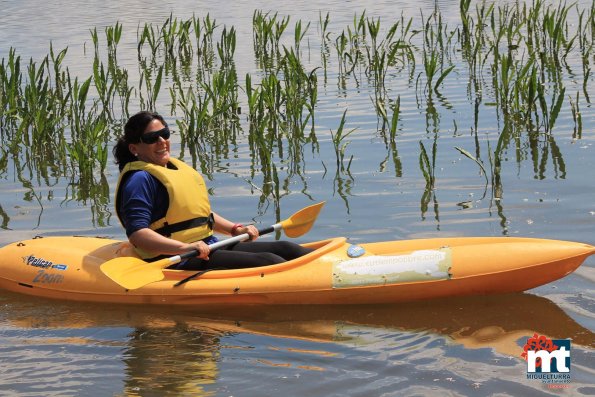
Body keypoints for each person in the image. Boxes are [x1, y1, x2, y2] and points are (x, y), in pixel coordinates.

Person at [113, 111, 313, 270]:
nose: (162, 142)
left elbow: (199, 216)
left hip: (206, 245)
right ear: (134, 149)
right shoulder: (139, 180)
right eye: (151, 138)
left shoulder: (172, 169)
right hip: (175, 257)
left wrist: (235, 229)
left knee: (287, 248)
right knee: (269, 260)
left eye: (164, 134)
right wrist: (184, 248)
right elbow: (138, 234)